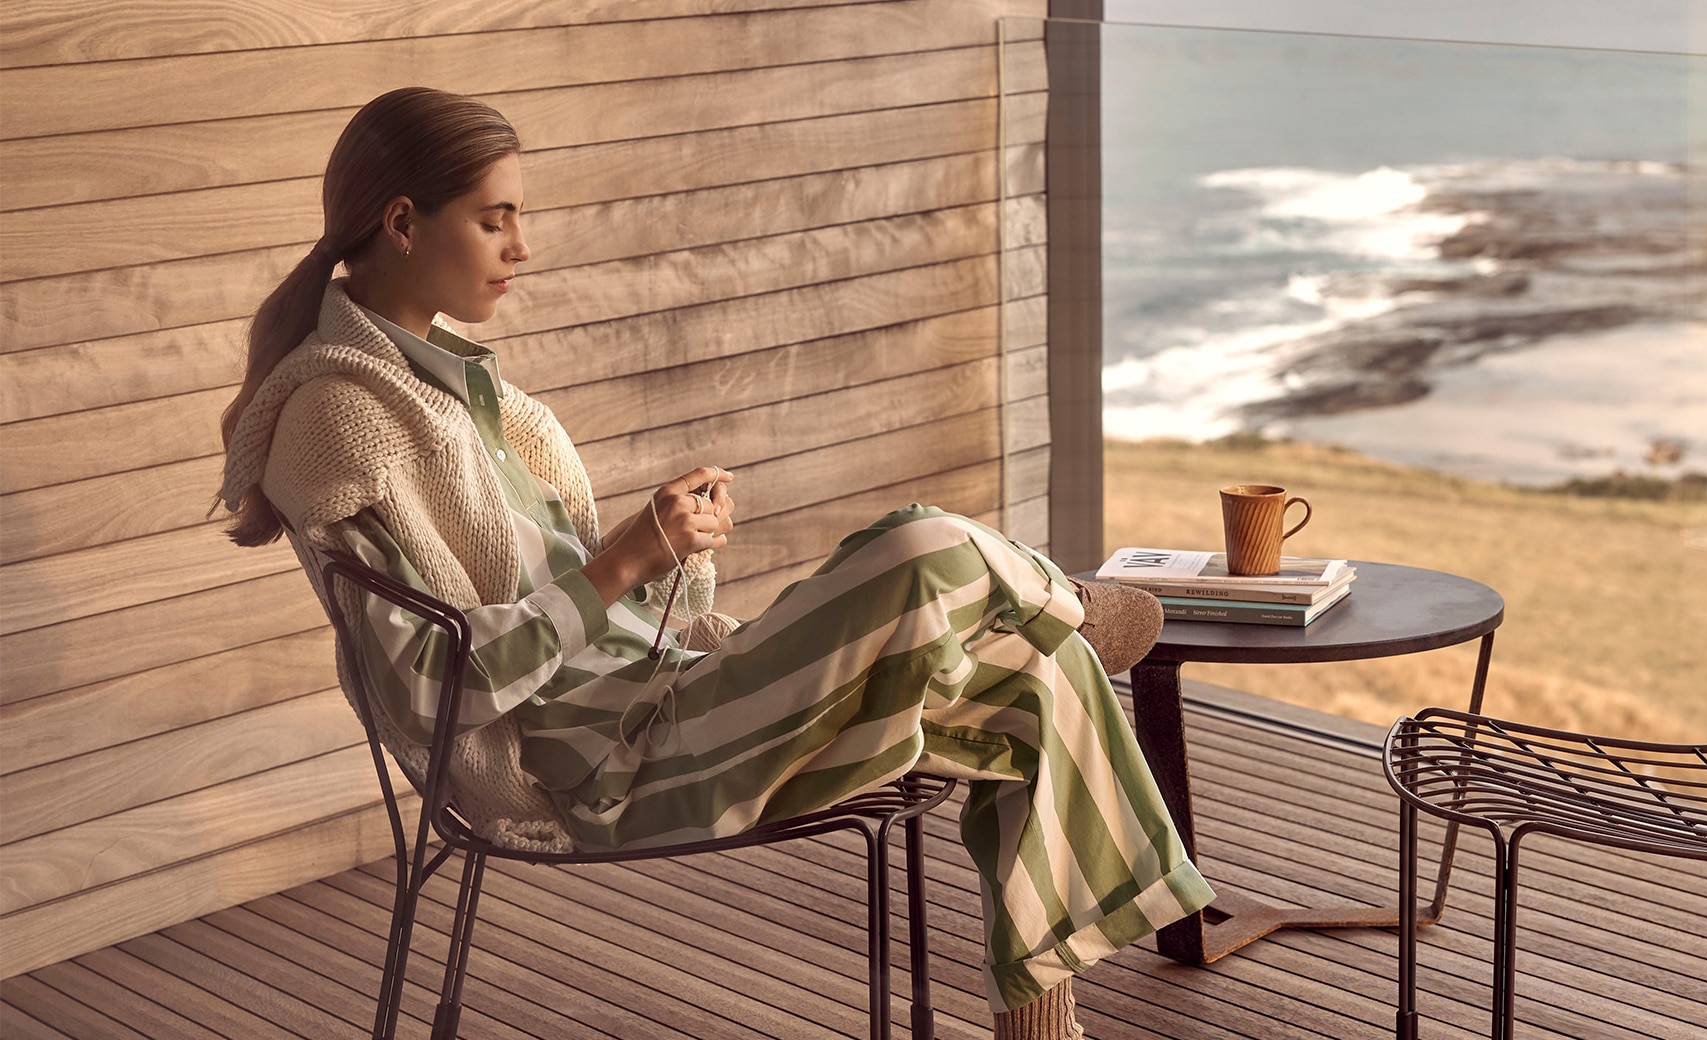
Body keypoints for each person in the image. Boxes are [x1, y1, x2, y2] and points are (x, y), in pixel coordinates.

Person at [217, 86, 1212, 1040]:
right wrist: (624, 563)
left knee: (1038, 674)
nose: (524, 246)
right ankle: (1070, 599)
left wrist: (660, 549)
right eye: (495, 218)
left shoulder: (465, 396)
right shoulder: (344, 421)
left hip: (673, 696)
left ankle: (1037, 1021)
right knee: (918, 546)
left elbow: (580, 610)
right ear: (401, 221)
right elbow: (436, 685)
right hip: (605, 761)